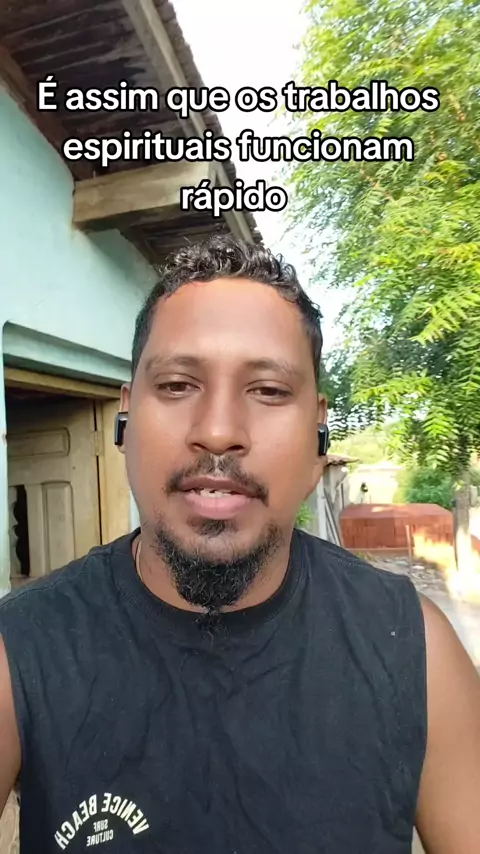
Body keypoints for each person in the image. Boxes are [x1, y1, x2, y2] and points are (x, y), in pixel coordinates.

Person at [0, 235, 479, 854]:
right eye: (177, 384)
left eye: (270, 390)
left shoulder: (416, 650)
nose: (219, 431)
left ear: (318, 435)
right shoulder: (20, 649)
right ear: (126, 419)